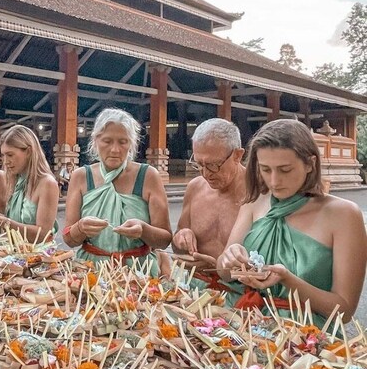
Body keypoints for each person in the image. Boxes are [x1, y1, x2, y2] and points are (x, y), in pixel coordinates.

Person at [218, 119, 367, 326]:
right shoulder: (255, 202)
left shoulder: (343, 215)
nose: (274, 181)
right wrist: (229, 257)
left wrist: (288, 280)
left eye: (285, 170)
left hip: (305, 334)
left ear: (310, 164)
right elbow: (223, 273)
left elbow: (344, 310)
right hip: (244, 323)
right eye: (266, 169)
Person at [63, 108, 171, 274]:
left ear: (132, 143)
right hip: (91, 272)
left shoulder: (148, 176)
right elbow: (68, 239)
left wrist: (143, 230)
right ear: (95, 140)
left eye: (123, 142)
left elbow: (164, 239)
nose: (115, 149)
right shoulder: (81, 177)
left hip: (139, 273)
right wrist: (80, 228)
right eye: (107, 141)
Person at [172, 119, 245, 271]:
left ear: (237, 156)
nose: (206, 174)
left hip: (243, 290)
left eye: (213, 165)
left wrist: (218, 267)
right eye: (199, 164)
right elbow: (177, 246)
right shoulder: (195, 187)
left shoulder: (258, 193)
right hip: (198, 286)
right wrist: (181, 238)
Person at [0, 125, 59, 241]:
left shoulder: (47, 183)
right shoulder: (16, 180)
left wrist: (3, 222)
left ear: (29, 151)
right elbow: (16, 224)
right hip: (15, 253)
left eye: (10, 155)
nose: (6, 161)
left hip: (39, 256)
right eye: (3, 155)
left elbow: (43, 234)